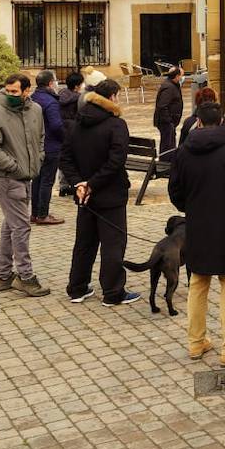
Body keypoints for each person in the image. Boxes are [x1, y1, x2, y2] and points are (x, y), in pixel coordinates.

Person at [169, 101, 225, 367]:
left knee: (198, 283)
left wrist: (191, 207)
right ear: (222, 120)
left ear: (197, 121)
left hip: (198, 225)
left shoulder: (184, 151)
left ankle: (196, 341)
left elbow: (175, 191)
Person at [61, 79, 137, 306]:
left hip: (85, 195)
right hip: (108, 194)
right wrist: (88, 184)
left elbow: (65, 159)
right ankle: (113, 292)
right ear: (112, 97)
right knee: (113, 243)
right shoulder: (116, 125)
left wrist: (79, 184)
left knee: (85, 242)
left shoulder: (75, 123)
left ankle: (77, 287)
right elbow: (116, 162)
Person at [0, 73, 50, 297]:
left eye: (15, 92)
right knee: (21, 227)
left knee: (11, 225)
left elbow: (39, 137)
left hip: (25, 176)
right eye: (7, 91)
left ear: (26, 91)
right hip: (6, 178)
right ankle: (26, 277)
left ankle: (3, 276)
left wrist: (38, 158)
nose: (10, 95)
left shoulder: (36, 110)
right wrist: (15, 167)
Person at [29, 70, 66, 226]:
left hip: (37, 145)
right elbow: (56, 125)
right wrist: (65, 138)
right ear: (51, 83)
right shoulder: (50, 102)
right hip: (50, 145)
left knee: (37, 179)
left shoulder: (33, 97)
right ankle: (42, 214)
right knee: (46, 181)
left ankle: (35, 212)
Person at [153, 67, 185, 161]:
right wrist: (169, 121)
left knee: (170, 145)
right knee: (167, 146)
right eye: (181, 76)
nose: (182, 78)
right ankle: (165, 165)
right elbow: (162, 106)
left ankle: (168, 164)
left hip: (169, 122)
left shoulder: (173, 85)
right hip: (166, 123)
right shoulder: (169, 87)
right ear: (177, 76)